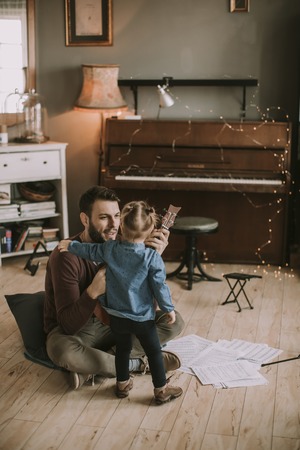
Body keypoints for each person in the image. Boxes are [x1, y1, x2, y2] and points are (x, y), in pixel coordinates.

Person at [44, 186, 184, 391]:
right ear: (85, 219)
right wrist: (92, 292)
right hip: (84, 329)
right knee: (61, 350)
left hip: (120, 320)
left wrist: (152, 262)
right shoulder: (66, 257)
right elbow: (67, 325)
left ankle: (96, 366)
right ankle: (138, 363)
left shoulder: (124, 244)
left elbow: (147, 308)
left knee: (175, 321)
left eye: (117, 216)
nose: (114, 225)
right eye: (104, 217)